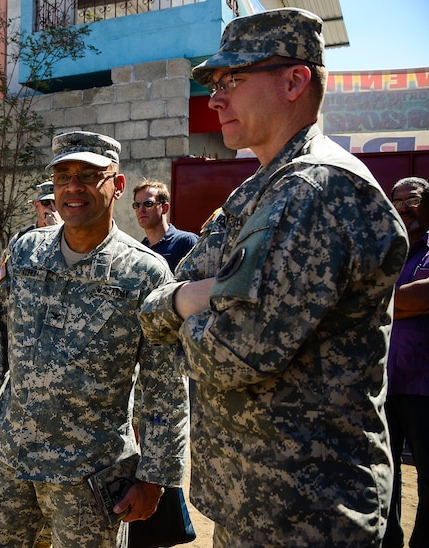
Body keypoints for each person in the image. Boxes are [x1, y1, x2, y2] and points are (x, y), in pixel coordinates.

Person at [139, 9, 408, 546]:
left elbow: (232, 353)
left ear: (294, 80)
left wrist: (184, 306)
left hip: (309, 513)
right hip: (258, 504)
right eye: (215, 83)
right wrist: (193, 297)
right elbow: (158, 304)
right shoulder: (262, 188)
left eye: (232, 80)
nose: (216, 98)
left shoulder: (313, 190)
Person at [0, 130, 187, 547]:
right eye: (62, 176)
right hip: (11, 458)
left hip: (89, 475)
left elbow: (165, 388)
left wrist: (155, 479)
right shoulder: (26, 251)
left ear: (117, 185)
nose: (73, 187)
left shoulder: (145, 273)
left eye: (88, 175)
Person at [383, 176, 429, 548]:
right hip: (384, 383)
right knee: (386, 472)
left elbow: (421, 298)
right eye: (396, 200)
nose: (402, 207)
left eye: (411, 200)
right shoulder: (390, 251)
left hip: (422, 384)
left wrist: (379, 301)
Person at [132, 180, 198, 273]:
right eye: (137, 205)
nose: (141, 210)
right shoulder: (139, 249)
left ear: (165, 208)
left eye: (148, 204)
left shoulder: (186, 242)